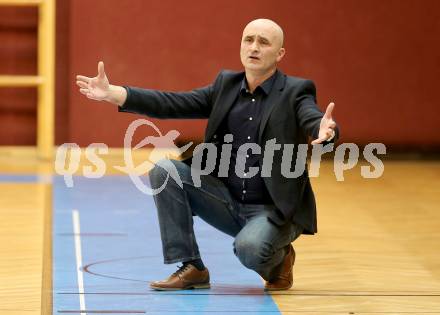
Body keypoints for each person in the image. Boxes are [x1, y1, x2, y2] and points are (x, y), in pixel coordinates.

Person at [76, 18, 339, 291]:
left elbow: (312, 117)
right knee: (166, 171)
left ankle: (280, 259)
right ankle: (192, 267)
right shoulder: (225, 85)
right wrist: (114, 93)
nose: (254, 47)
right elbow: (172, 104)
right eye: (249, 40)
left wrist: (326, 130)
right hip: (225, 200)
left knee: (249, 249)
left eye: (264, 42)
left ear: (280, 53)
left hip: (273, 210)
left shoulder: (296, 91)